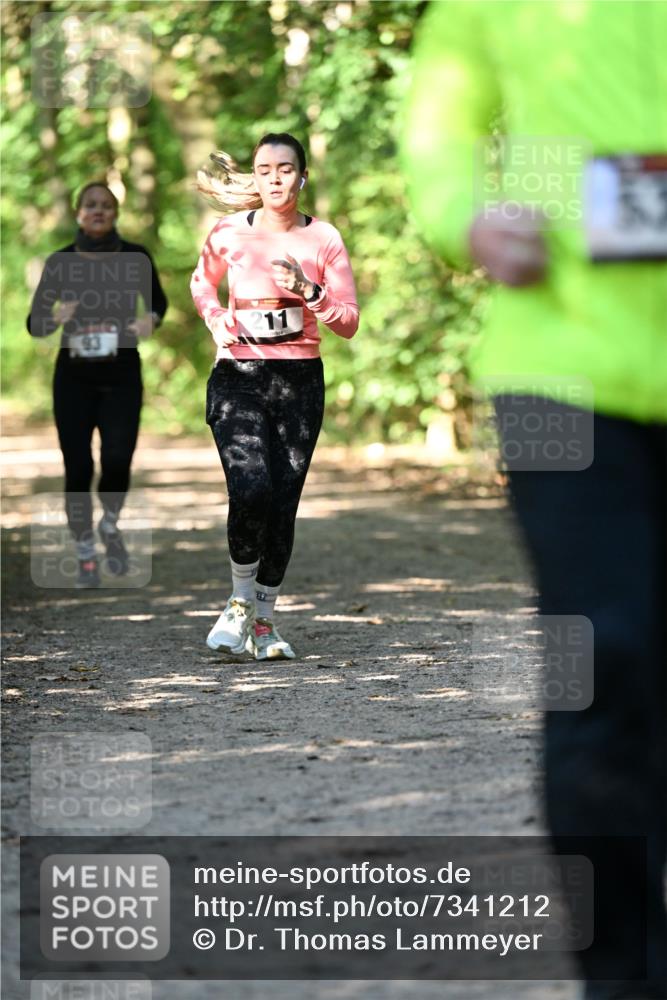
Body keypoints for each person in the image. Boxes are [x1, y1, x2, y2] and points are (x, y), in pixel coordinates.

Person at [401, 3, 666, 999]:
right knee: (602, 654)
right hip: (557, 368)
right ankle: (624, 979)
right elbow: (441, 123)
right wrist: (466, 211)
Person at [191, 132, 359, 660]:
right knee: (251, 488)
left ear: (302, 177)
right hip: (238, 374)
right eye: (264, 169)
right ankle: (239, 602)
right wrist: (216, 317)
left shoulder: (324, 238)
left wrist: (310, 291)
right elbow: (201, 283)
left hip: (300, 382)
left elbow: (349, 322)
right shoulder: (228, 232)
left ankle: (264, 621)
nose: (275, 178)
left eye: (285, 169)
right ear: (256, 178)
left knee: (283, 503)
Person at [27, 182, 168, 588]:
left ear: (116, 213)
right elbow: (34, 325)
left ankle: (109, 524)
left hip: (122, 373)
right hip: (73, 378)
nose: (98, 211)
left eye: (106, 206)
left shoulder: (136, 256)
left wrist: (150, 321)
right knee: (78, 467)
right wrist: (57, 317)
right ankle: (85, 551)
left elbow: (157, 302)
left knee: (118, 460)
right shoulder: (60, 262)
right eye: (90, 205)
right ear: (78, 213)